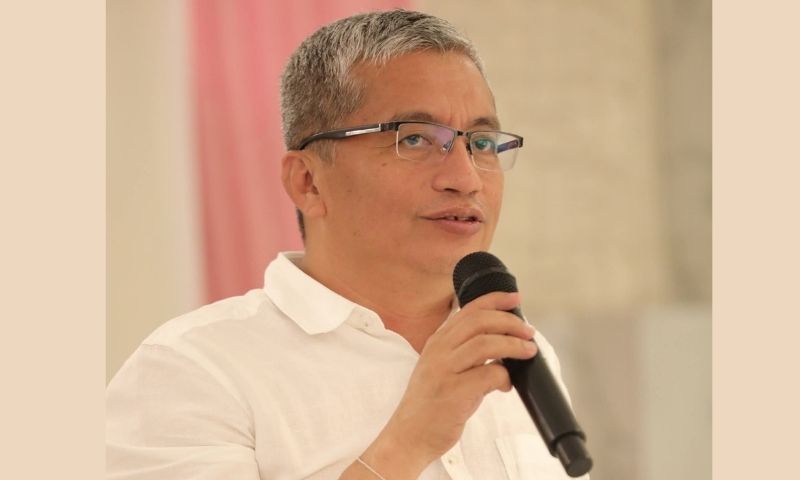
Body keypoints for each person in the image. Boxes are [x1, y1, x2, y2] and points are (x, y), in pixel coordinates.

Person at [107, 9, 585, 480]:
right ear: (309, 182)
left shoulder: (517, 353)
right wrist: (407, 444)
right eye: (415, 139)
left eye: (481, 143)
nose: (466, 178)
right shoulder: (192, 368)